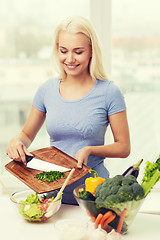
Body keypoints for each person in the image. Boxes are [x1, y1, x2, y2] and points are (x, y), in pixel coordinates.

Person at [6, 16, 130, 204]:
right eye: (64, 51)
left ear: (91, 52)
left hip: (94, 195)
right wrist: (16, 142)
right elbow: (26, 134)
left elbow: (124, 147)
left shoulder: (109, 92)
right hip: (53, 195)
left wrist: (90, 149)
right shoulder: (46, 90)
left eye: (78, 52)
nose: (70, 59)